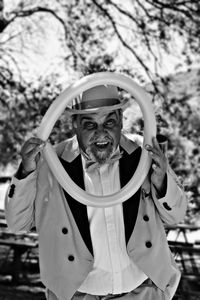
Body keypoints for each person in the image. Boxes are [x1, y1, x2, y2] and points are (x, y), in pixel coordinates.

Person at [5, 84, 187, 300]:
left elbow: (176, 214)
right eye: (89, 124)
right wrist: (26, 171)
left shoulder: (145, 153)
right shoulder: (51, 163)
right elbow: (17, 223)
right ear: (75, 125)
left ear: (120, 120)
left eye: (109, 122)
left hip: (144, 293)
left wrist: (161, 182)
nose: (101, 133)